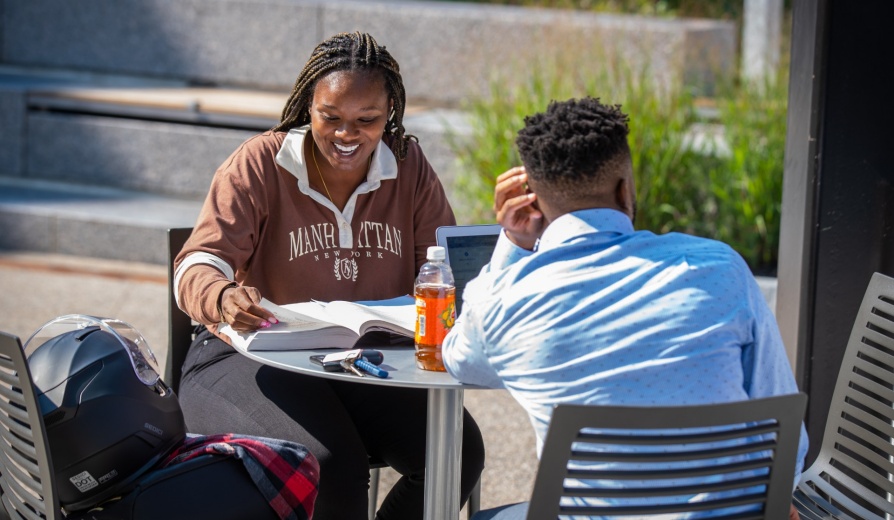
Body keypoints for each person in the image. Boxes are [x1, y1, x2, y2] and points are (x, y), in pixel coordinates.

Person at [441, 97, 807, 520]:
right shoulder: (720, 269)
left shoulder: (502, 302)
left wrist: (513, 243)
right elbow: (784, 433)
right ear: (625, 189)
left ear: (532, 202)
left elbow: (460, 361)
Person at [173, 31, 485, 519]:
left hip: (358, 362)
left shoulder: (408, 166)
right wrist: (222, 294)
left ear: (391, 116)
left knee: (458, 450)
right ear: (308, 106)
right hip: (247, 357)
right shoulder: (260, 162)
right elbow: (197, 261)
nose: (347, 134)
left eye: (368, 120)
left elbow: (440, 266)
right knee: (326, 465)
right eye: (331, 117)